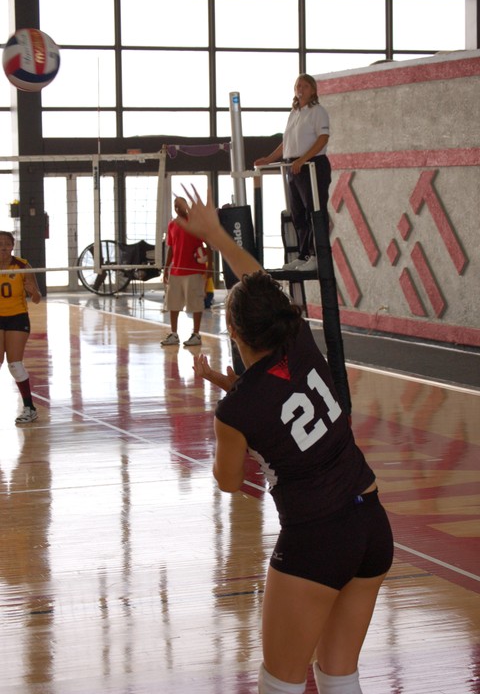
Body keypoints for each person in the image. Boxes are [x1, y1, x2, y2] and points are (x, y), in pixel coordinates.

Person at [176, 186, 394, 694]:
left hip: (317, 536)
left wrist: (226, 416)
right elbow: (258, 281)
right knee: (339, 674)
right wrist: (214, 234)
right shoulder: (299, 339)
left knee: (281, 682)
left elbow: (229, 482)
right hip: (371, 522)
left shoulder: (236, 410)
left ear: (232, 331)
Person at [254, 73, 332, 273]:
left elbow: (323, 139)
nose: (300, 89)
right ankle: (303, 254)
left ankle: (317, 255)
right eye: (298, 85)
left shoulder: (318, 111)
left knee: (314, 211)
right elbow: (286, 144)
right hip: (293, 167)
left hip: (311, 165)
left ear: (313, 90)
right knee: (298, 214)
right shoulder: (294, 113)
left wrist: (303, 160)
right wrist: (269, 159)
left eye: (305, 86)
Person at [0, 230, 42, 424]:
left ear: (12, 245)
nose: (3, 248)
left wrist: (33, 292)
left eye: (6, 244)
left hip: (17, 317)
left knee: (15, 364)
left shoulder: (22, 265)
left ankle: (29, 407)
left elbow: (37, 298)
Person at [161, 196, 213, 347]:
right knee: (173, 304)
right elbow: (171, 248)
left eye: (180, 205)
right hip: (176, 271)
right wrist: (166, 268)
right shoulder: (172, 225)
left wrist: (209, 267)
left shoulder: (196, 223)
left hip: (194, 271)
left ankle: (196, 335)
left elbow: (208, 245)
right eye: (175, 206)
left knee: (196, 303)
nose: (177, 208)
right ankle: (174, 334)